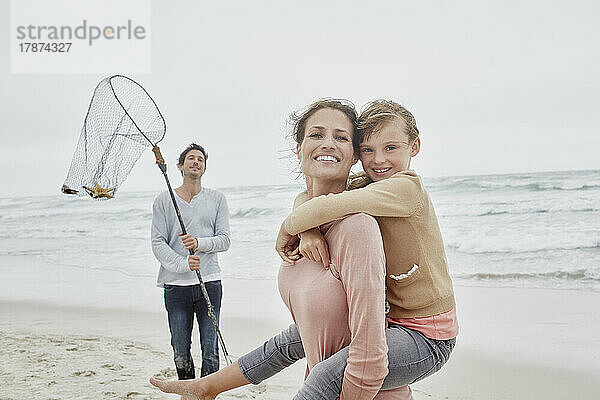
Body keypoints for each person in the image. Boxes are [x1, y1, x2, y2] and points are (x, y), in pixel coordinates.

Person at [150, 100, 411, 399]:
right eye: (316, 134)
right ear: (298, 148)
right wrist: (208, 386)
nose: (328, 143)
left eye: (340, 137)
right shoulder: (301, 230)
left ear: (353, 156)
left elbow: (370, 355)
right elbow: (298, 337)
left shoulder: (358, 228)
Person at [151, 143, 231, 380]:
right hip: (176, 286)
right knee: (180, 350)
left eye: (200, 160)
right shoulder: (164, 200)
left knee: (210, 350)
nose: (196, 162)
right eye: (191, 159)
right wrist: (182, 264)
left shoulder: (217, 199)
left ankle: (208, 394)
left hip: (209, 282)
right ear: (180, 166)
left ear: (204, 168)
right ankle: (187, 392)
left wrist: (199, 242)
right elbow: (158, 242)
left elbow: (224, 240)